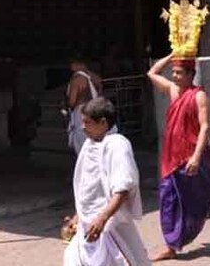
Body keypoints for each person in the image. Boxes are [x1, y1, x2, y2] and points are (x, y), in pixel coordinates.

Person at [147, 53, 210, 261]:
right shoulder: (174, 91)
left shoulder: (198, 96)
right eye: (173, 73)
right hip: (171, 155)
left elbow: (204, 127)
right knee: (168, 199)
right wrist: (171, 56)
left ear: (191, 74)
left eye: (178, 73)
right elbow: (152, 73)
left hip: (191, 155)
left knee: (203, 196)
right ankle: (171, 246)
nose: (174, 76)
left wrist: (195, 156)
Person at [64, 98, 149, 266]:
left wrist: (102, 219)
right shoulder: (89, 146)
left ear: (103, 123)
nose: (83, 127)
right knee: (73, 258)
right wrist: (78, 216)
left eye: (87, 122)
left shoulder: (118, 145)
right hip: (88, 225)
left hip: (110, 224)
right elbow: (87, 187)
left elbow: (123, 188)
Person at [66, 57, 103, 154]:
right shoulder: (93, 76)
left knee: (82, 141)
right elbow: (100, 87)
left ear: (75, 65)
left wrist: (66, 106)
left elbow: (72, 101)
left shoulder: (77, 79)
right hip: (93, 108)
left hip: (81, 111)